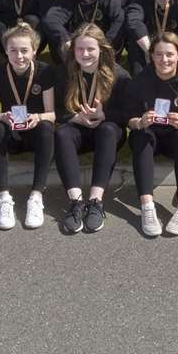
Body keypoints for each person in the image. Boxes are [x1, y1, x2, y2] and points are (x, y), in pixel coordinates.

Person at [117, 35, 178, 238]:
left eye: (170, 54)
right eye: (159, 54)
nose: (164, 59)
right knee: (140, 136)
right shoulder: (140, 80)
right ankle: (147, 206)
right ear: (151, 56)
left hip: (176, 139)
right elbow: (128, 116)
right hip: (151, 136)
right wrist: (140, 121)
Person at [0, 22, 56, 230]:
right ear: (5, 50)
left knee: (46, 127)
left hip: (35, 135)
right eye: (13, 50)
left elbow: (52, 114)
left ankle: (36, 196)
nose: (19, 56)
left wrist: (38, 117)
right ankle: (4, 197)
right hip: (11, 134)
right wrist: (0, 116)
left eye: (24, 50)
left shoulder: (44, 71)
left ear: (34, 51)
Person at [52, 23, 123, 235]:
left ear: (101, 49)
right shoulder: (63, 73)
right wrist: (75, 118)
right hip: (78, 129)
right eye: (80, 49)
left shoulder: (118, 74)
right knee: (61, 133)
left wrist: (105, 115)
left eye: (90, 49)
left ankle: (96, 202)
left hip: (107, 132)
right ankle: (75, 202)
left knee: (108, 129)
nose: (85, 54)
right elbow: (52, 109)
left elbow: (129, 112)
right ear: (73, 50)